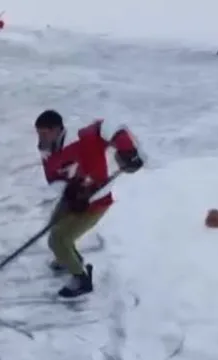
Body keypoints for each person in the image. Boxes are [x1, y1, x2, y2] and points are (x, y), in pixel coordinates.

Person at [34, 109, 144, 298]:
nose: (42, 138)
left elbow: (110, 126)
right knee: (54, 226)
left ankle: (81, 279)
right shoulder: (47, 150)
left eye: (45, 133)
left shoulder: (83, 137)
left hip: (96, 202)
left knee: (58, 239)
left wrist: (127, 150)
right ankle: (67, 258)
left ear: (57, 129)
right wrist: (69, 192)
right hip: (73, 195)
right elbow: (53, 177)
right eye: (39, 134)